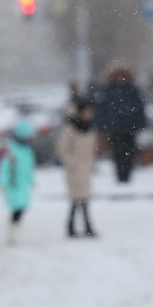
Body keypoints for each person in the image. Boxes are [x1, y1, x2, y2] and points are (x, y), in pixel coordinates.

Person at [56, 84, 98, 238]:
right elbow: (62, 149)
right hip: (74, 170)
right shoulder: (71, 129)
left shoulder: (90, 128)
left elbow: (91, 150)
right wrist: (73, 163)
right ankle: (74, 227)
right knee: (76, 199)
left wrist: (91, 165)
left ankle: (84, 227)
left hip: (85, 169)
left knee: (84, 198)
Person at [96, 65, 147, 183]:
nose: (120, 78)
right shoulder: (108, 91)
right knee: (117, 152)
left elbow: (139, 108)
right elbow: (102, 109)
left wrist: (139, 123)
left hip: (129, 129)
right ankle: (120, 175)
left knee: (129, 152)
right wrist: (102, 126)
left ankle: (127, 175)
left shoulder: (132, 90)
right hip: (115, 129)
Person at [0, 120, 36, 245]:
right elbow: (4, 168)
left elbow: (28, 168)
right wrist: (3, 182)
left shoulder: (27, 151)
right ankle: (12, 232)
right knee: (17, 209)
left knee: (21, 208)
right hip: (14, 184)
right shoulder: (11, 152)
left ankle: (15, 230)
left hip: (23, 184)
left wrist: (31, 181)